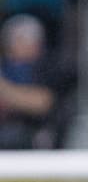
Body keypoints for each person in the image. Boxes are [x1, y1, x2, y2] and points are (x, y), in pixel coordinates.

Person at [0, 13, 74, 149]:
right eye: (20, 39)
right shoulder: (4, 66)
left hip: (30, 133)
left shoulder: (49, 67)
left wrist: (5, 90)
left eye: (33, 40)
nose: (31, 45)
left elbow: (43, 102)